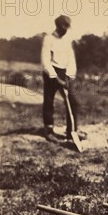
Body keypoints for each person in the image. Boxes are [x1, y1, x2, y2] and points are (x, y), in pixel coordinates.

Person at [41, 15, 80, 143]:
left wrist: (69, 76)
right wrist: (56, 78)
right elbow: (45, 61)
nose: (66, 30)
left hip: (65, 72)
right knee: (49, 101)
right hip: (51, 72)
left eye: (67, 27)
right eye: (64, 27)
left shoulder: (67, 40)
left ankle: (71, 132)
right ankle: (49, 130)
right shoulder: (48, 39)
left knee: (73, 102)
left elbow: (71, 60)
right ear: (58, 26)